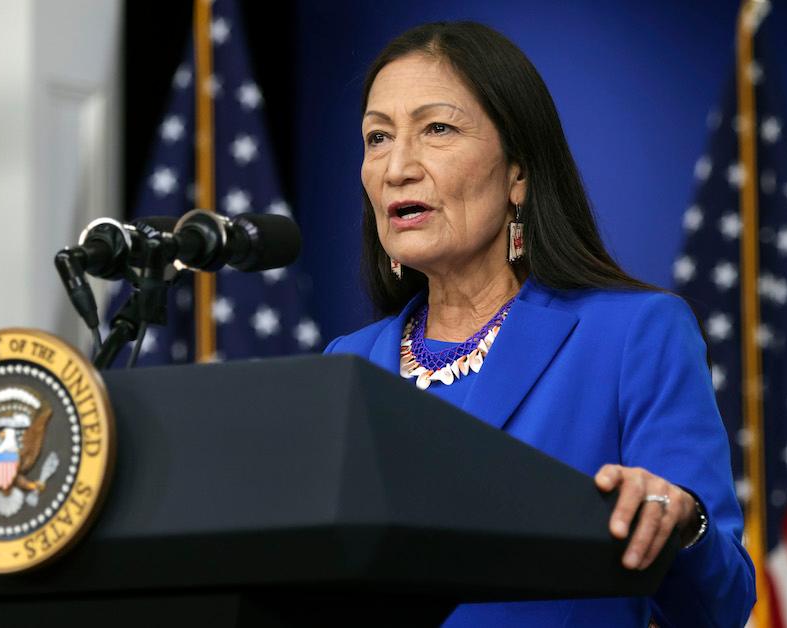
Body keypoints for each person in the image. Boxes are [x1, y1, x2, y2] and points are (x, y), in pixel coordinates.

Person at [324, 22, 756, 626]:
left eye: (437, 129)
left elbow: (721, 607)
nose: (397, 167)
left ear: (518, 173)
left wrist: (683, 522)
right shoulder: (345, 365)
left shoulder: (634, 337)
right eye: (377, 137)